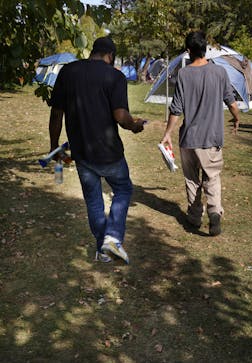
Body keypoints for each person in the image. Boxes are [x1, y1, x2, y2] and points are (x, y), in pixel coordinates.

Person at [48, 36, 145, 264]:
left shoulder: (68, 72)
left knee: (93, 200)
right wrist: (135, 125)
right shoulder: (115, 76)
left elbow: (56, 114)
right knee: (123, 189)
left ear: (94, 51)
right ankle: (112, 238)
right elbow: (121, 117)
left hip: (82, 153)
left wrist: (54, 146)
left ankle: (103, 249)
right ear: (110, 56)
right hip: (109, 152)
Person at [160, 31, 240, 236]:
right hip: (211, 138)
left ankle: (194, 217)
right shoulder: (220, 73)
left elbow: (176, 109)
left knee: (191, 178)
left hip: (189, 138)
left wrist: (168, 133)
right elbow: (231, 101)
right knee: (212, 176)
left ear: (188, 51)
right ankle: (214, 212)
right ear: (206, 49)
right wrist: (237, 118)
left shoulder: (184, 74)